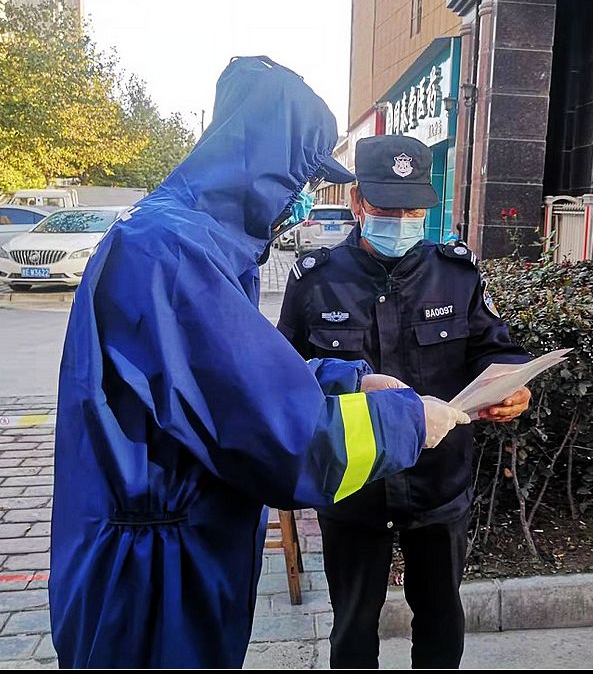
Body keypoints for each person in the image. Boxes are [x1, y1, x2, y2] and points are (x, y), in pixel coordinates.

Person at [48, 58, 470, 669]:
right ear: (266, 168)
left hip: (175, 547)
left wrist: (350, 379)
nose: (301, 201)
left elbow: (237, 376)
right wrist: (406, 421)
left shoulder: (195, 242)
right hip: (151, 581)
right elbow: (277, 438)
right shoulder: (172, 253)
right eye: (300, 179)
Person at [277, 134, 533, 669]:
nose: (400, 221)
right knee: (353, 625)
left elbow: (496, 349)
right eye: (387, 208)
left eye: (413, 210)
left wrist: (515, 388)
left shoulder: (455, 274)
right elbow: (283, 377)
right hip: (353, 486)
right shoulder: (316, 280)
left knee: (441, 617)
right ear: (357, 202)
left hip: (439, 484)